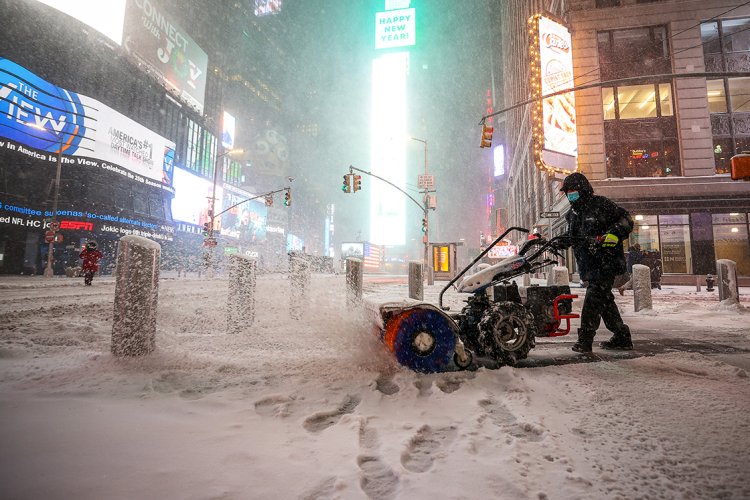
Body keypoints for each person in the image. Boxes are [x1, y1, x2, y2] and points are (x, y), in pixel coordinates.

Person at [554, 172, 634, 353]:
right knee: (604, 301)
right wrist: (558, 241)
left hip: (606, 262)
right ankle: (621, 335)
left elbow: (626, 219)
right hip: (588, 265)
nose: (570, 195)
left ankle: (585, 339)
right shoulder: (572, 214)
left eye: (573, 191)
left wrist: (614, 233)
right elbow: (573, 236)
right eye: (567, 192)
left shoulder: (601, 204)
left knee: (594, 298)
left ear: (582, 190)